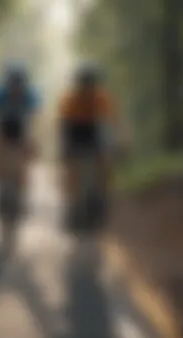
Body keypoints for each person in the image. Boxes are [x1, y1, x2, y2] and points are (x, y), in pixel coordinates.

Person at [57, 63, 117, 227]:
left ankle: (101, 197)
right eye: (84, 84)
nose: (87, 89)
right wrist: (63, 148)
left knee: (104, 163)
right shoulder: (69, 99)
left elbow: (111, 122)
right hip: (74, 130)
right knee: (72, 170)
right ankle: (72, 205)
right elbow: (63, 127)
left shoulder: (101, 97)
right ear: (78, 85)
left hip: (93, 131)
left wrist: (116, 143)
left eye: (90, 84)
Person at [0, 63, 41, 209]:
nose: (15, 88)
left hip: (21, 128)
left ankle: (22, 192)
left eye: (18, 85)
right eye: (12, 85)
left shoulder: (30, 95)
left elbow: (34, 120)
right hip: (2, 126)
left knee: (26, 154)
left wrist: (32, 142)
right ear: (7, 83)